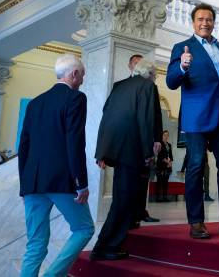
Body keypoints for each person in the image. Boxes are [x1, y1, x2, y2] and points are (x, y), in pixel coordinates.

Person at [167, 3, 219, 239]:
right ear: (193, 22)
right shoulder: (182, 48)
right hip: (196, 118)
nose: (205, 23)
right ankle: (196, 222)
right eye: (200, 19)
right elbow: (171, 82)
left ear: (214, 22)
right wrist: (182, 66)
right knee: (195, 167)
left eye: (209, 19)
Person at [18, 54, 95, 276]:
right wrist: (81, 183)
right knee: (84, 228)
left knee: (35, 243)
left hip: (32, 182)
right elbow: (75, 141)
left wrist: (25, 185)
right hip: (61, 181)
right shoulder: (75, 98)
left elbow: (24, 147)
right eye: (81, 76)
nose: (82, 81)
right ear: (73, 74)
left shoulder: (35, 103)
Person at [90, 59, 162, 260]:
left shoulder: (119, 86)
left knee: (122, 198)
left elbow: (106, 118)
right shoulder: (148, 86)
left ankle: (105, 244)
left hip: (116, 149)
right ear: (149, 73)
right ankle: (106, 246)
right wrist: (148, 151)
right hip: (133, 150)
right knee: (124, 200)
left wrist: (102, 152)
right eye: (155, 74)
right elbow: (145, 118)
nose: (155, 77)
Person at [127, 54, 160, 225]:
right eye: (136, 63)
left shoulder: (151, 86)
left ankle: (141, 211)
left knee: (143, 178)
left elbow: (155, 114)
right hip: (129, 142)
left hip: (146, 141)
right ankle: (130, 214)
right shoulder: (122, 86)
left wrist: (157, 138)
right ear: (130, 66)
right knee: (129, 180)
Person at [156, 130, 173, 202]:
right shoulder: (159, 144)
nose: (166, 136)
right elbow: (160, 155)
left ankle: (165, 197)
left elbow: (171, 155)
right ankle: (158, 197)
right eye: (164, 135)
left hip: (168, 166)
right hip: (160, 165)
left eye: (167, 135)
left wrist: (170, 162)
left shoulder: (169, 145)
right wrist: (167, 162)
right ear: (162, 136)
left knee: (166, 182)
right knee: (159, 181)